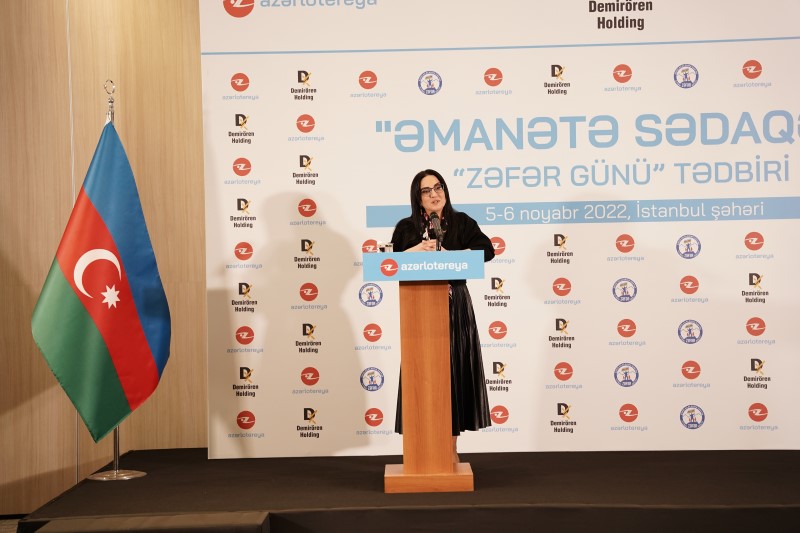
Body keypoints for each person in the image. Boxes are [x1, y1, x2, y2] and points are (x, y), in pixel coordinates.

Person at [391, 169, 494, 462]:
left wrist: (452, 255)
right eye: (426, 191)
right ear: (418, 198)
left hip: (455, 306)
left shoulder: (462, 222)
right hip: (419, 308)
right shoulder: (406, 228)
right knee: (422, 376)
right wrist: (416, 249)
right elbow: (389, 261)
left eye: (438, 187)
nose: (434, 194)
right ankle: (420, 449)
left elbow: (487, 250)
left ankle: (449, 448)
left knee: (454, 374)